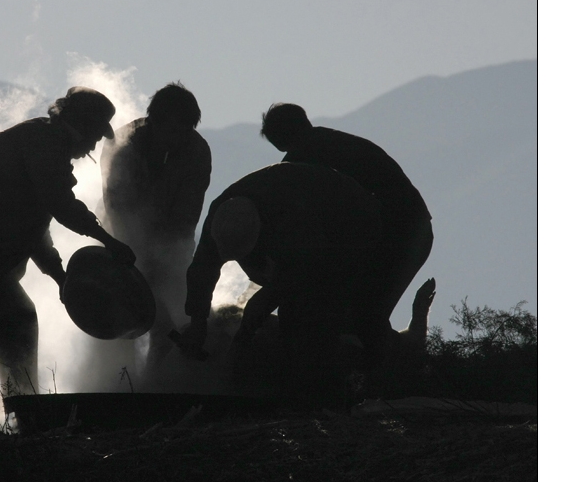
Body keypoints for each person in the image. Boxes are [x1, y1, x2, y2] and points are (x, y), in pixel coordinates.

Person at [0, 87, 135, 437]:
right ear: (83, 126)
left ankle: (23, 411)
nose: (93, 147)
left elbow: (35, 224)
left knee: (18, 320)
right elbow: (59, 204)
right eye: (96, 136)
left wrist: (58, 275)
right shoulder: (45, 142)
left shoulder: (46, 143)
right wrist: (108, 240)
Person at [260, 103, 433, 367]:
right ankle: (400, 357)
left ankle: (390, 378)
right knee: (355, 316)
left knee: (361, 317)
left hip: (400, 233)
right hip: (406, 229)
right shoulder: (330, 144)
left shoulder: (302, 163)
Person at [176, 162, 382, 369]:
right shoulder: (221, 217)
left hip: (354, 223)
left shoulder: (293, 223)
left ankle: (349, 370)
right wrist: (197, 323)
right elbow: (202, 270)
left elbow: (290, 280)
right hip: (302, 220)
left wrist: (245, 334)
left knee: (312, 315)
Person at [95, 82, 211, 379]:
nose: (178, 139)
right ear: (154, 121)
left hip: (172, 246)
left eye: (185, 131)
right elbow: (117, 205)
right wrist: (136, 259)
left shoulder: (197, 151)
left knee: (171, 318)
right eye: (172, 131)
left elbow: (187, 216)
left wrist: (166, 258)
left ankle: (158, 382)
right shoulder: (122, 145)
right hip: (121, 242)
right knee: (123, 320)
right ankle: (118, 383)